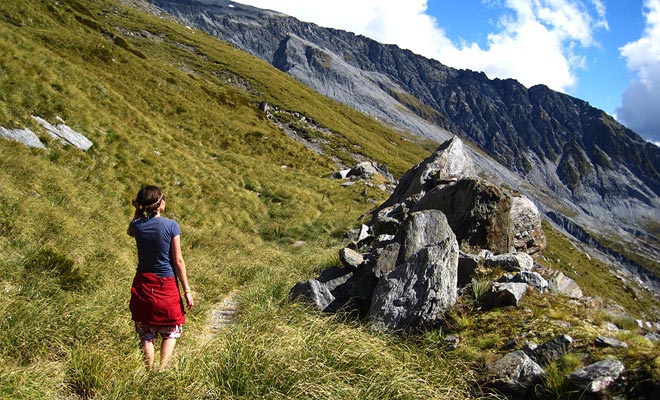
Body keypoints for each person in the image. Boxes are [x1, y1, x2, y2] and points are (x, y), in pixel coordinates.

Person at [127, 185, 194, 369]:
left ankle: (149, 370)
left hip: (143, 283)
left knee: (146, 334)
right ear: (160, 203)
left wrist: (137, 212)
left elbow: (130, 231)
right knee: (170, 331)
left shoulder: (136, 225)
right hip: (166, 284)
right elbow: (178, 260)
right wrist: (187, 290)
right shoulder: (171, 226)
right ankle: (162, 369)